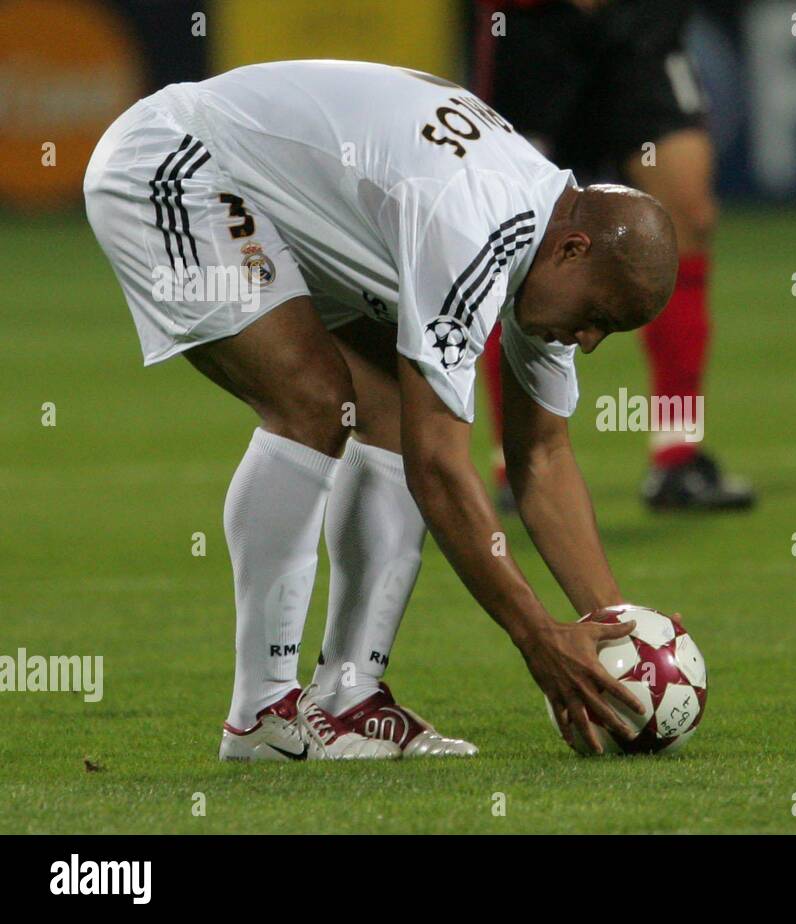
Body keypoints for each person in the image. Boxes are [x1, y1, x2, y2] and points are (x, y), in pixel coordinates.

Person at [84, 60, 678, 759]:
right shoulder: (474, 225)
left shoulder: (548, 248)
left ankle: (348, 695)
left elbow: (542, 455)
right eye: (596, 319)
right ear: (574, 251)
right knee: (313, 402)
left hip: (274, 193)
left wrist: (615, 632)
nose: (589, 341)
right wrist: (537, 637)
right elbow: (440, 464)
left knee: (394, 408)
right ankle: (263, 715)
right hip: (175, 161)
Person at [473, 0, 755, 510]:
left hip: (639, 29)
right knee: (511, 230)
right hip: (539, 28)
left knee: (689, 215)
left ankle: (677, 455)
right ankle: (517, 460)